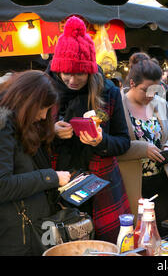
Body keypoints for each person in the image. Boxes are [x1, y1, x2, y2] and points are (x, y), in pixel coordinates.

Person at [47, 16, 131, 243]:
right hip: (58, 184)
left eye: (79, 74)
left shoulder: (109, 92)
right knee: (64, 244)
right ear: (58, 69)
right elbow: (29, 141)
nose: (72, 80)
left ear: (90, 71)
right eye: (66, 73)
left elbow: (124, 142)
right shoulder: (46, 92)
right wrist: (51, 132)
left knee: (106, 244)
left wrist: (101, 142)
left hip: (101, 185)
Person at [0, 71, 71, 256]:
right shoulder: (4, 124)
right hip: (15, 238)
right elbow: (2, 184)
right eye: (43, 108)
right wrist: (51, 178)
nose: (43, 116)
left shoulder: (15, 119)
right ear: (28, 101)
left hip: (26, 231)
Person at [118, 53, 168, 236]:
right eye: (146, 89)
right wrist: (142, 149)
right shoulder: (118, 106)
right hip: (133, 183)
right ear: (132, 84)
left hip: (163, 180)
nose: (151, 95)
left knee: (166, 233)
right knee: (138, 236)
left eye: (156, 89)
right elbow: (112, 147)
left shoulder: (160, 103)